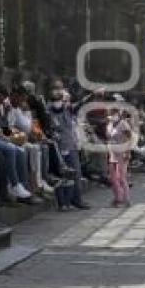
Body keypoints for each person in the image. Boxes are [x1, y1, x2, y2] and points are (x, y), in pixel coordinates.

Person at [46, 80, 92, 211]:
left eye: (61, 89)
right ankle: (63, 203)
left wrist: (91, 95)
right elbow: (53, 118)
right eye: (57, 89)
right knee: (62, 175)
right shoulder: (50, 108)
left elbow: (77, 106)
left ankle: (75, 200)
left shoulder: (67, 109)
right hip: (58, 146)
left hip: (70, 144)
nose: (60, 93)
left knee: (75, 174)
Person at [107, 107, 133, 207]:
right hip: (112, 153)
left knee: (121, 177)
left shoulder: (123, 124)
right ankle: (118, 198)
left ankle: (126, 199)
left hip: (122, 153)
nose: (112, 117)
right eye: (110, 115)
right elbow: (109, 137)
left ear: (118, 114)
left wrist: (128, 152)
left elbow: (129, 138)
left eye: (114, 114)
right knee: (113, 178)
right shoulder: (109, 125)